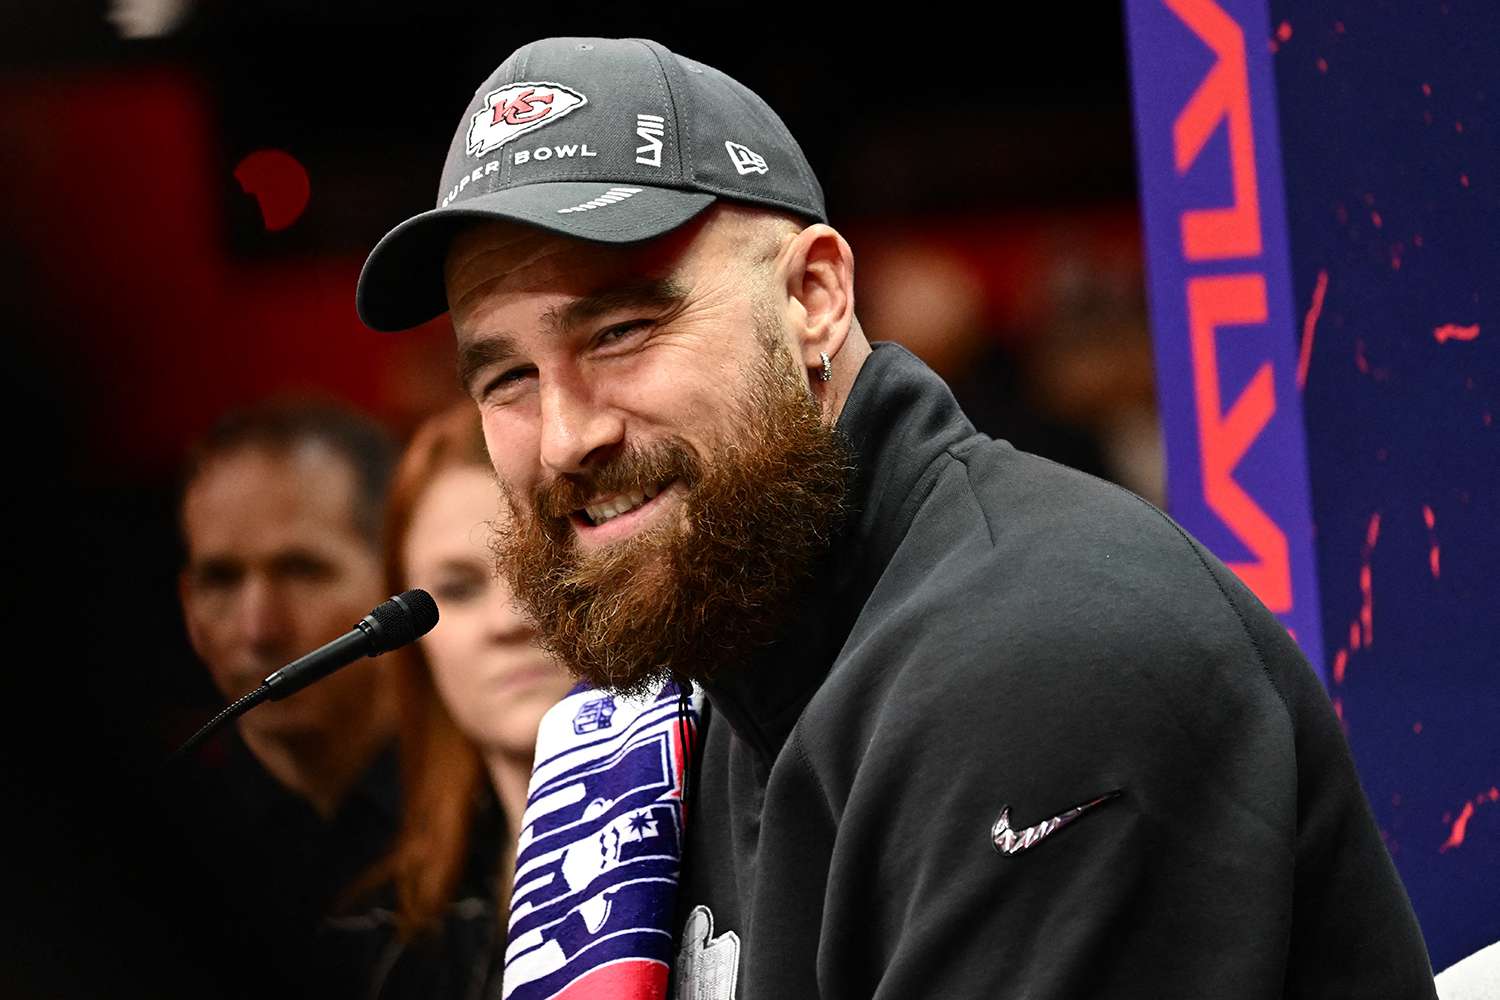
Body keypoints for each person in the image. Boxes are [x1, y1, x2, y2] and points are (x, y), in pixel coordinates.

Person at [354, 37, 1438, 999]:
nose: (560, 437)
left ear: (814, 296)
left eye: (623, 329)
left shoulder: (1041, 654)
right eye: (504, 378)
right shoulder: (740, 648)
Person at [171, 399, 406, 998]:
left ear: (397, 576)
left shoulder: (508, 799)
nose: (258, 629)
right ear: (188, 606)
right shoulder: (155, 829)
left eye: (302, 571)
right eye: (220, 579)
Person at [357, 402, 575, 998]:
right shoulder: (381, 936)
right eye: (456, 589)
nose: (509, 620)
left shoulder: (738, 858)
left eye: (545, 569)